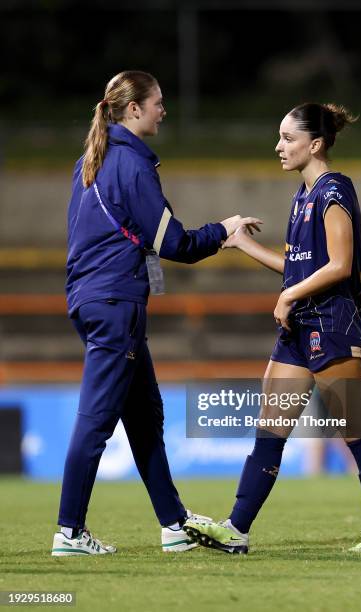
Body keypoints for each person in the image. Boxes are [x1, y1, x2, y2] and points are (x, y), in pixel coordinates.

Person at [51, 70, 261, 556]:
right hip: (115, 303)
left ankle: (173, 524)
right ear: (134, 110)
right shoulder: (131, 164)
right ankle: (69, 532)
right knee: (96, 419)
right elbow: (174, 244)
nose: (164, 110)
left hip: (94, 299)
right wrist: (223, 230)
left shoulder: (90, 161)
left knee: (144, 415)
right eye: (158, 102)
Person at [184, 103, 361, 554]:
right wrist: (244, 244)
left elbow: (340, 266)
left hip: (333, 325)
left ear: (315, 144)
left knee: (354, 427)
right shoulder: (301, 198)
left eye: (287, 138)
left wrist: (288, 296)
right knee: (271, 428)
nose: (278, 146)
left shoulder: (333, 190)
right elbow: (296, 268)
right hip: (300, 330)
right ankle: (237, 529)